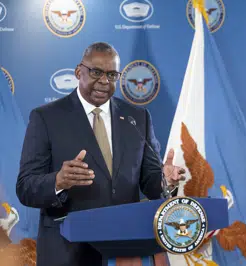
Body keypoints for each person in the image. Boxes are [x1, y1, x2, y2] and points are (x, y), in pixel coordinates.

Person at [16, 42, 185, 266]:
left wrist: (166, 180)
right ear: (79, 72)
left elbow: (152, 185)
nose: (104, 81)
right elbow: (26, 187)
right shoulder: (46, 118)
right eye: (96, 72)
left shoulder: (137, 118)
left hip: (124, 252)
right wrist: (58, 181)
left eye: (112, 74)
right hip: (67, 252)